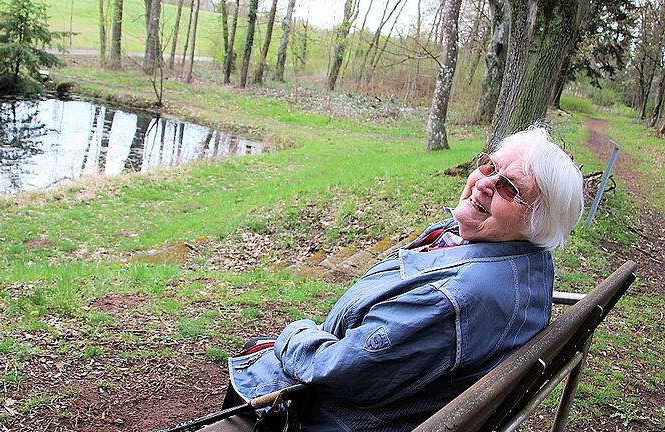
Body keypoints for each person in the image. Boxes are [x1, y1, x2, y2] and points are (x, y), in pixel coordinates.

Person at [206, 127, 584, 431]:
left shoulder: (453, 298)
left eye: (509, 188)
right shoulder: (526, 261)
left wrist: (294, 334)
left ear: (537, 223)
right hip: (393, 399)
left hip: (325, 414)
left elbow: (342, 372)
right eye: (489, 166)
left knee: (261, 352)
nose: (485, 182)